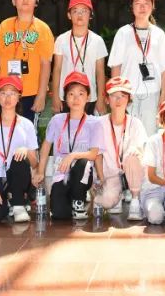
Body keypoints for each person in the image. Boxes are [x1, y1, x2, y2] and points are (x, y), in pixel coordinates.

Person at [0, 0, 55, 123]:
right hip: (5, 90)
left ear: (36, 2)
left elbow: (45, 64)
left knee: (28, 132)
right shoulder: (5, 26)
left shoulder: (43, 29)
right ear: (14, 1)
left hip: (31, 92)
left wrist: (41, 95)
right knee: (3, 129)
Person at [37, 72, 101, 221]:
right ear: (65, 98)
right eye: (71, 94)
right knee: (60, 214)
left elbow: (93, 154)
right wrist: (40, 172)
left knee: (83, 162)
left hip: (83, 172)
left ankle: (79, 201)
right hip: (62, 173)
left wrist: (73, 155)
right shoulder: (57, 120)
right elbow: (46, 146)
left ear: (88, 97)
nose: (76, 99)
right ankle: (69, 198)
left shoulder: (94, 123)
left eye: (81, 94)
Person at [108, 0, 165, 131]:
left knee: (150, 135)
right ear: (132, 7)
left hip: (152, 94)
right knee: (127, 134)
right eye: (138, 3)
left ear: (153, 7)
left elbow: (164, 69)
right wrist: (117, 95)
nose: (142, 7)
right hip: (127, 94)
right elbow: (116, 67)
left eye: (146, 3)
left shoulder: (159, 34)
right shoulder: (123, 33)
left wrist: (163, 96)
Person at [0, 76, 39, 223]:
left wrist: (26, 151)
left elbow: (34, 164)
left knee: (18, 159)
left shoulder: (27, 125)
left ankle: (18, 205)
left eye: (12, 93)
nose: (8, 98)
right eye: (3, 93)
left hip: (18, 175)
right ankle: (9, 202)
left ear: (19, 97)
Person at [93, 76, 148, 219]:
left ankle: (135, 200)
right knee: (106, 202)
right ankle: (116, 195)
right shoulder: (99, 124)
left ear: (129, 99)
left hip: (132, 173)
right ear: (107, 99)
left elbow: (141, 151)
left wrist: (134, 154)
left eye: (123, 96)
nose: (118, 100)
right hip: (111, 175)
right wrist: (101, 178)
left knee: (133, 155)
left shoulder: (136, 123)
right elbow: (97, 154)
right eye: (114, 96)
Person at [51, 0, 107, 115]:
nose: (80, 15)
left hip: (89, 97)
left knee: (88, 126)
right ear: (69, 15)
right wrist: (55, 96)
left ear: (90, 15)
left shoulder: (97, 41)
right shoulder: (61, 39)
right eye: (75, 11)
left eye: (84, 11)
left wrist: (101, 99)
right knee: (65, 126)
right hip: (65, 96)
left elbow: (100, 72)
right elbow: (57, 69)